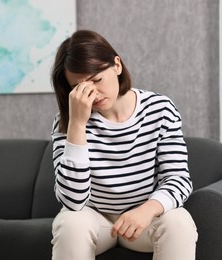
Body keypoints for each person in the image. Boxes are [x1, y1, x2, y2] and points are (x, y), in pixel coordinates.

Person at [50, 30, 198, 260]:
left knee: (179, 221)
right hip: (95, 220)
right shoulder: (67, 122)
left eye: (97, 80)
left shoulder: (160, 109)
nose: (94, 94)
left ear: (116, 65)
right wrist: (77, 124)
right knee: (70, 223)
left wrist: (146, 211)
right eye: (80, 88)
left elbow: (178, 179)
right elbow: (72, 201)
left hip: (144, 222)